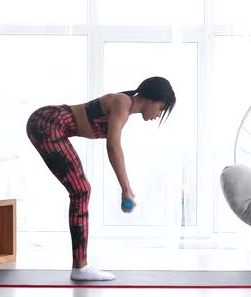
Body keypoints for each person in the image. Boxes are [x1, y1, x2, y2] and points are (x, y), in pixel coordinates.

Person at [25, 76, 176, 281]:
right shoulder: (122, 103)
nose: (159, 114)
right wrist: (126, 188)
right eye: (161, 107)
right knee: (81, 190)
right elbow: (113, 146)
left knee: (81, 190)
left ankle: (80, 266)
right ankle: (80, 267)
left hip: (46, 123)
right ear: (150, 99)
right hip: (47, 122)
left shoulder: (124, 107)